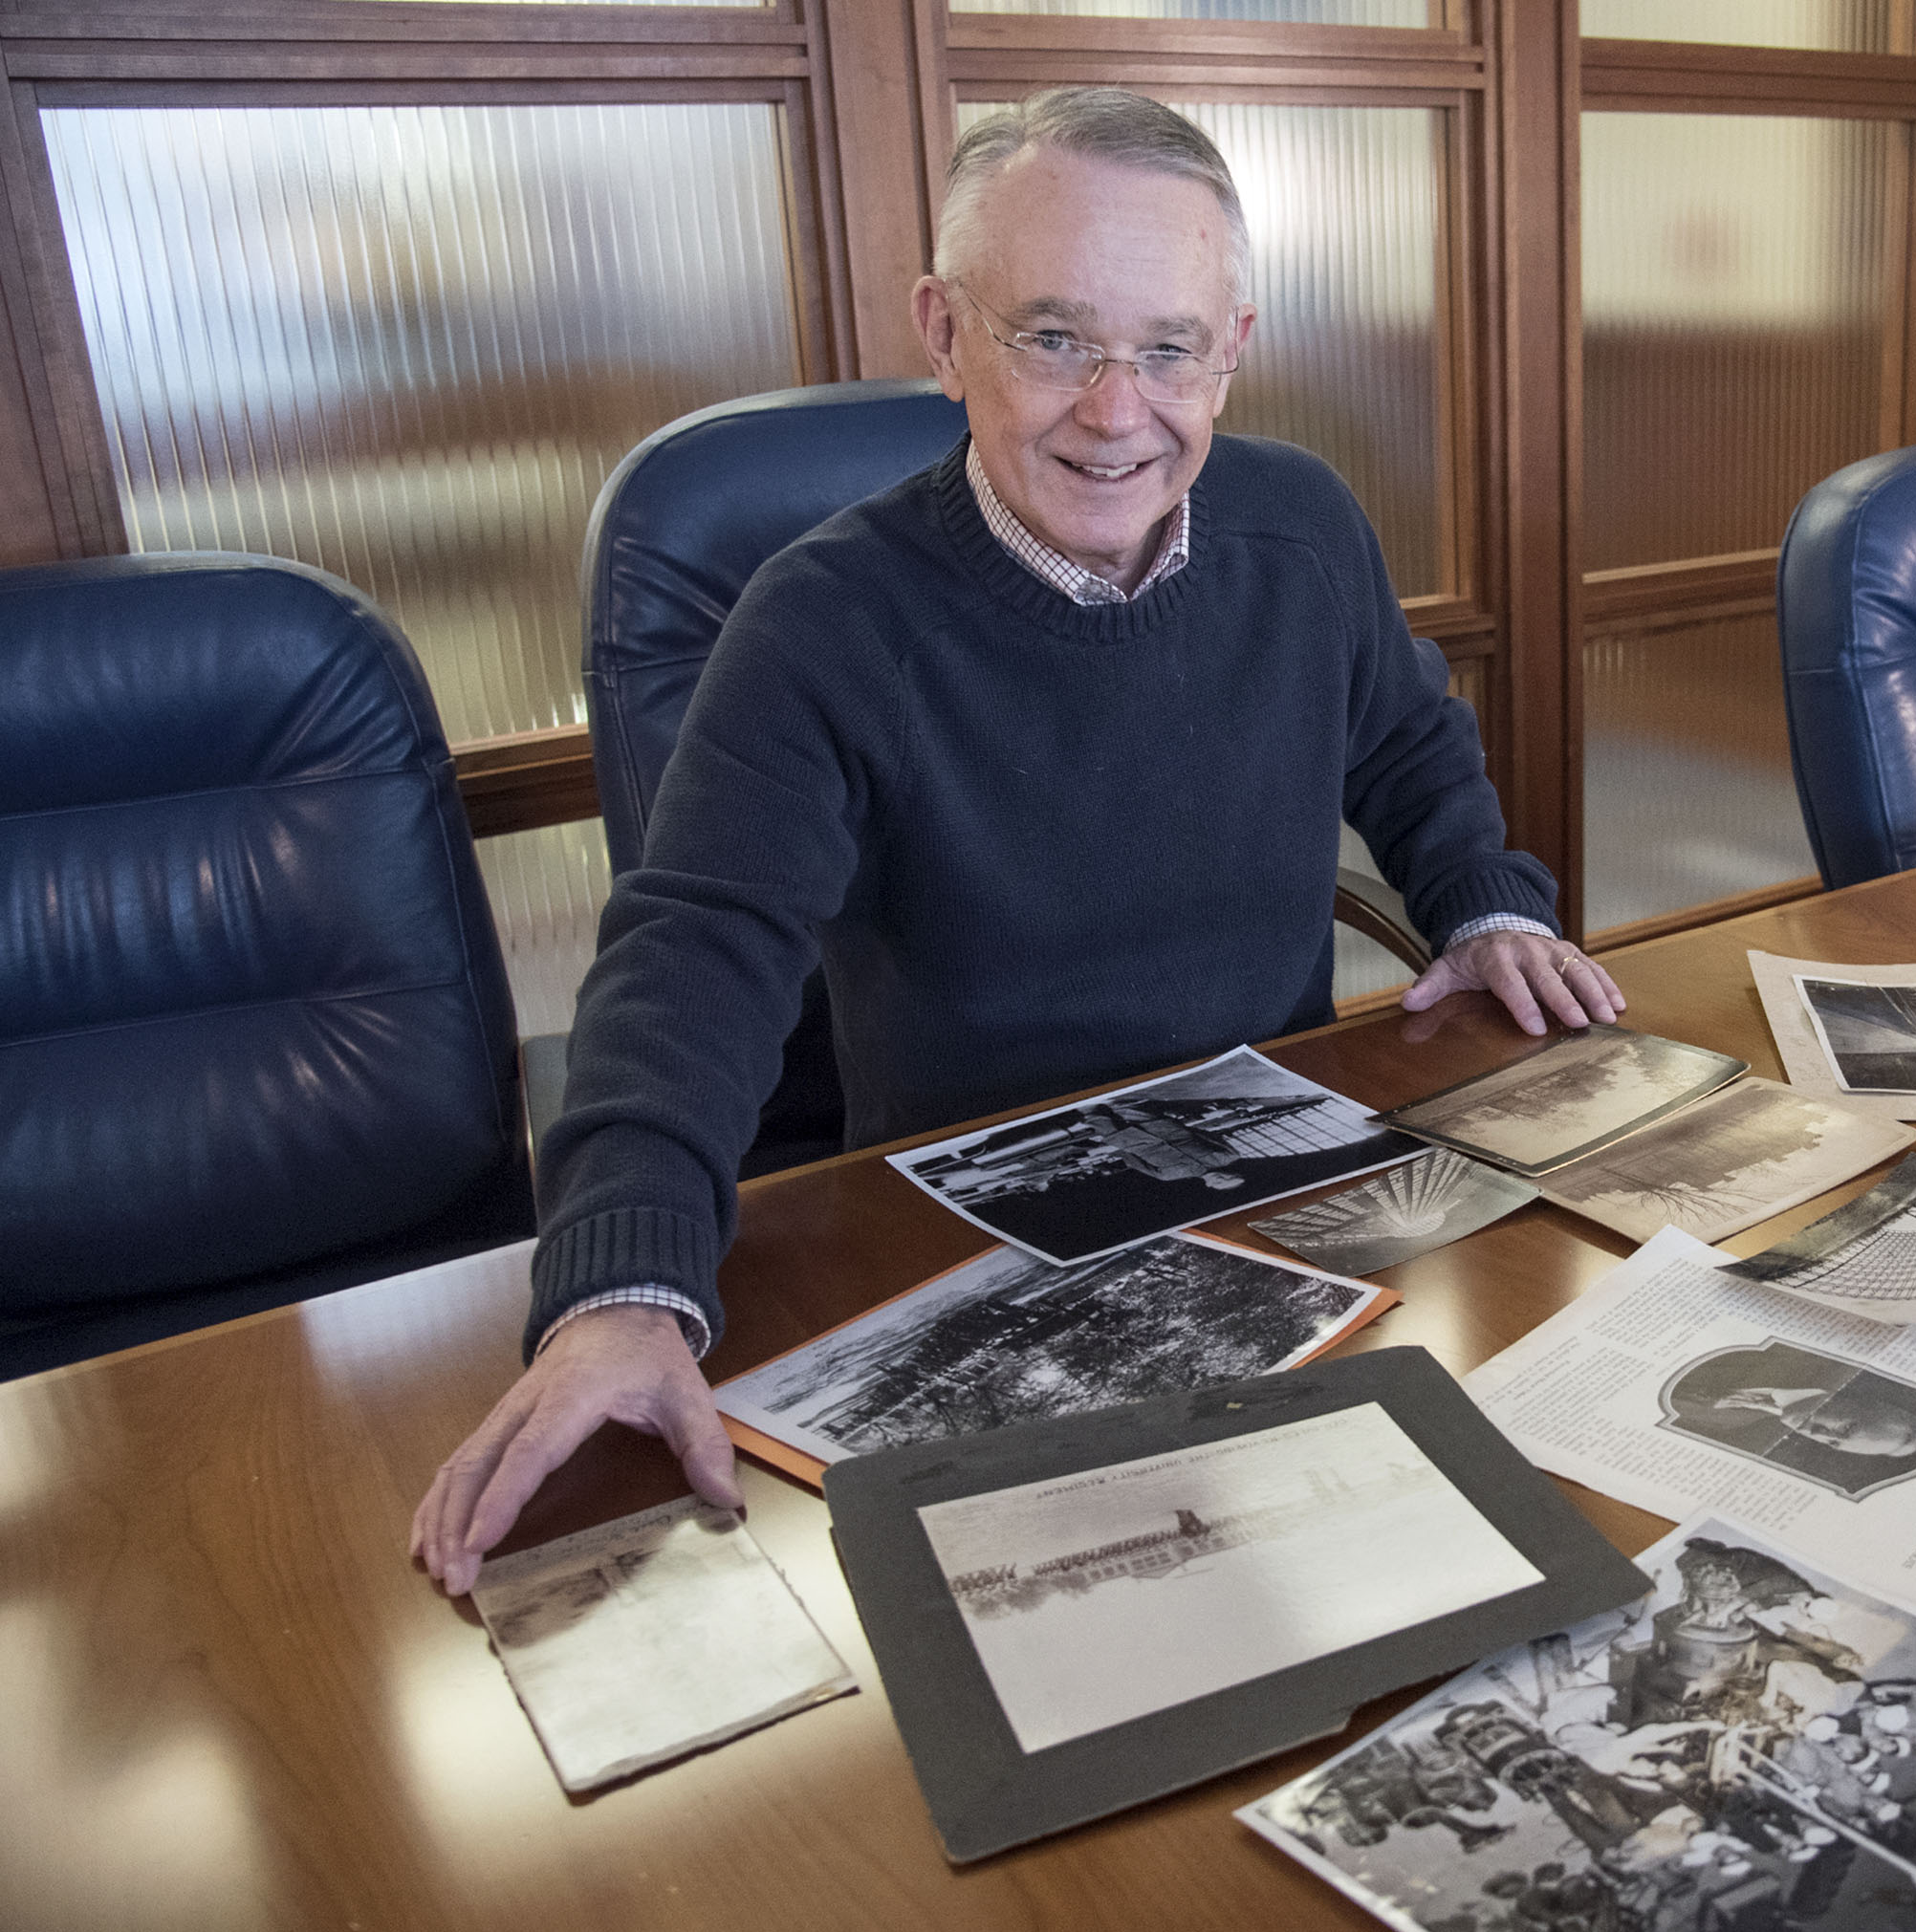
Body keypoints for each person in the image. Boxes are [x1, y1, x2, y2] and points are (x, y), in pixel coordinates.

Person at [412, 88, 1624, 1596]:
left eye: (1168, 347)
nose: (1118, 413)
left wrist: (1480, 906)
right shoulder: (823, 619)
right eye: (1053, 337)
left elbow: (1403, 737)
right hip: (959, 1231)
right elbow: (695, 951)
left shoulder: (1300, 527)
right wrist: (619, 1287)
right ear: (943, 331)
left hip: (1284, 1195)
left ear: (1231, 344)